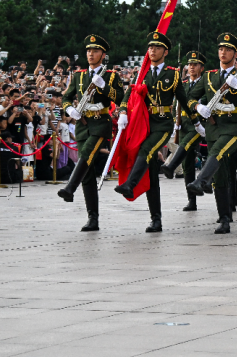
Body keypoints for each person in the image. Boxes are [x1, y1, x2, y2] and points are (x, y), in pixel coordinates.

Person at [186, 33, 237, 233]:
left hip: (233, 126)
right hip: (213, 127)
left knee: (217, 152)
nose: (223, 52)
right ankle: (224, 218)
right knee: (220, 174)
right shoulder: (209, 76)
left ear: (235, 54)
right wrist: (197, 107)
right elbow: (189, 97)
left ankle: (201, 180)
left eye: (228, 49)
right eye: (221, 49)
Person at [115, 31, 190, 234]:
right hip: (145, 124)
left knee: (147, 149)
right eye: (150, 47)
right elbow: (128, 95)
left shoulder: (173, 74)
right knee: (151, 173)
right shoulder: (142, 73)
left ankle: (130, 184)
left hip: (163, 124)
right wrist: (122, 111)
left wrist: (197, 120)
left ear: (165, 51)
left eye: (156, 48)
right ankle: (156, 219)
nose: (152, 51)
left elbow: (183, 100)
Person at [57, 34, 124, 232]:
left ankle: (70, 187)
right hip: (82, 123)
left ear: (103, 54)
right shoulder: (78, 75)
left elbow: (121, 97)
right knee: (87, 172)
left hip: (100, 123)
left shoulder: (111, 75)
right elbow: (66, 97)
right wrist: (70, 110)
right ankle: (92, 218)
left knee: (85, 155)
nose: (90, 54)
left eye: (95, 51)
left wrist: (104, 87)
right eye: (88, 51)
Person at [160, 51, 207, 212]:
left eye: (195, 65)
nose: (191, 67)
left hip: (199, 124)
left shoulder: (206, 84)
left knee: (186, 144)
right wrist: (175, 121)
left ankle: (171, 165)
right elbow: (176, 103)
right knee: (188, 164)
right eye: (190, 65)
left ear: (201, 67)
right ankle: (191, 200)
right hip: (184, 123)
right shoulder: (184, 84)